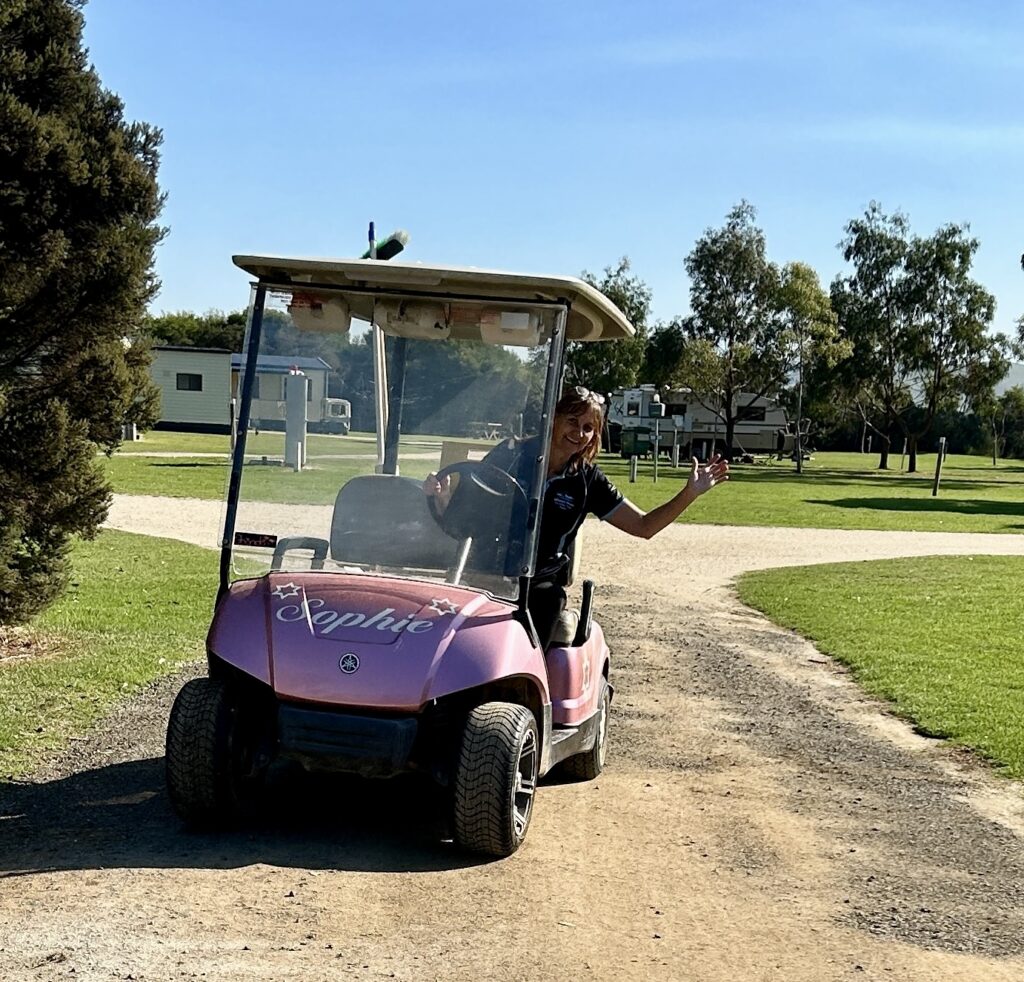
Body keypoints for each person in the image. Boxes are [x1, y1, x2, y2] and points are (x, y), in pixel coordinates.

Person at [424, 387, 729, 649]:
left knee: (549, 600)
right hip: (484, 569)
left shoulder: (588, 481)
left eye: (588, 427)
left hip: (538, 582)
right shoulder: (511, 454)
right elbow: (469, 515)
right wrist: (443, 500)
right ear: (553, 419)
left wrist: (690, 493)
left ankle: (526, 686)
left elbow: (643, 526)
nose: (578, 433)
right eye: (572, 421)